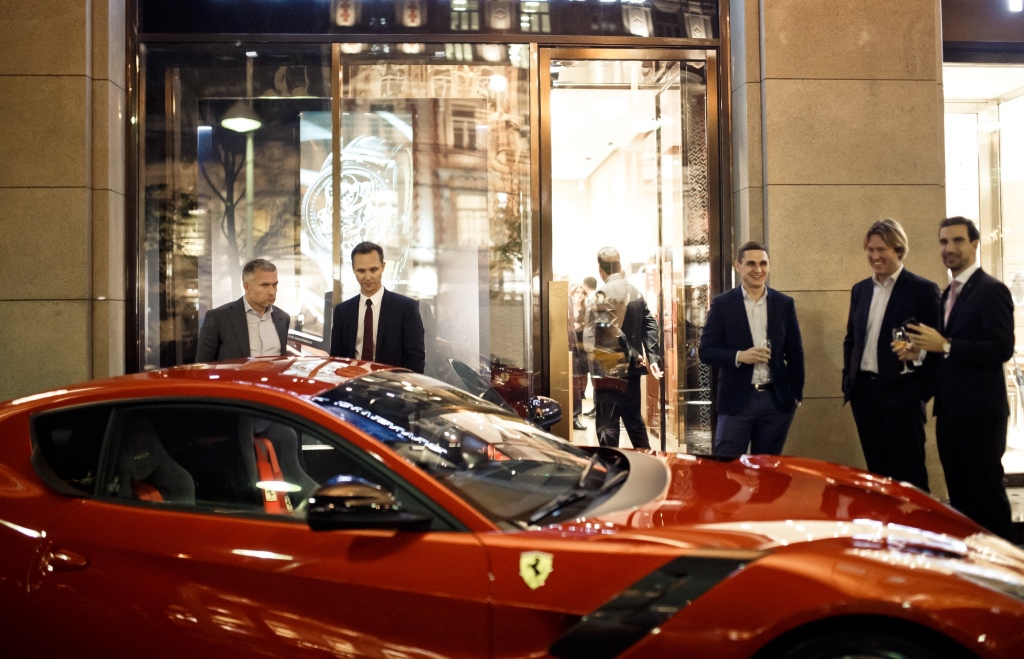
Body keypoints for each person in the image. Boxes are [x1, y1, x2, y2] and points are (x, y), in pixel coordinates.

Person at [904, 217, 1015, 540]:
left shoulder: (991, 290)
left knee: (987, 496)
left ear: (974, 245)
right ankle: (969, 562)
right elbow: (945, 350)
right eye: (943, 242)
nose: (949, 248)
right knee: (961, 496)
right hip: (950, 411)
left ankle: (1002, 564)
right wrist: (920, 352)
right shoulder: (947, 294)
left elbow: (1001, 348)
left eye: (957, 241)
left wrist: (946, 345)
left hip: (981, 413)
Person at [842, 219, 941, 492]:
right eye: (870, 250)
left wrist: (919, 392)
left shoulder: (923, 289)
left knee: (910, 477)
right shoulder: (860, 289)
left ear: (898, 249)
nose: (874, 256)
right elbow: (852, 340)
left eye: (881, 249)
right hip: (864, 395)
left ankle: (916, 521)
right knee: (877, 477)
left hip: (904, 396)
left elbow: (936, 346)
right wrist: (849, 380)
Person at [699, 241, 804, 457]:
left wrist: (795, 395)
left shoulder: (784, 304)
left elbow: (796, 353)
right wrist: (740, 356)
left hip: (775, 401)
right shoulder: (723, 304)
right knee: (726, 465)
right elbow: (706, 351)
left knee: (766, 469)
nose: (758, 269)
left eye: (763, 263)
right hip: (736, 400)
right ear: (738, 266)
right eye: (751, 264)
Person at [582, 247, 662, 449]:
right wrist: (652, 357)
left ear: (600, 270)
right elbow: (650, 324)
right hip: (632, 373)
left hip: (608, 373)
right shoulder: (635, 291)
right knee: (635, 424)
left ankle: (613, 467)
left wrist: (633, 354)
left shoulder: (603, 294)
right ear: (619, 266)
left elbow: (609, 330)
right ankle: (648, 463)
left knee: (608, 427)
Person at [329, 241, 425, 373]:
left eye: (373, 270)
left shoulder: (406, 308)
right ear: (353, 269)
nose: (368, 277)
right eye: (361, 271)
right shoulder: (343, 311)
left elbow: (416, 360)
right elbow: (335, 360)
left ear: (383, 266)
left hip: (391, 383)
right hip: (351, 381)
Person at [195, 258, 289, 362]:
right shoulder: (219, 318)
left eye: (274, 285)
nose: (272, 292)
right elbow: (202, 365)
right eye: (264, 285)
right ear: (247, 286)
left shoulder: (283, 318)